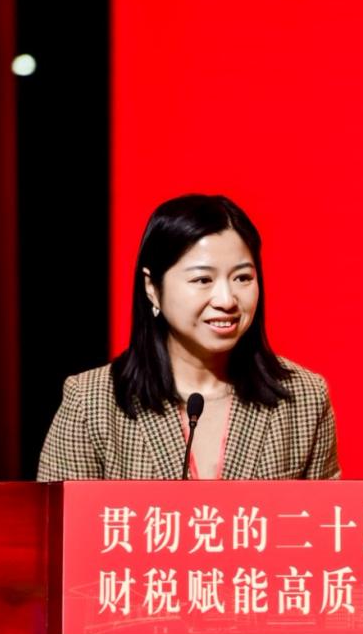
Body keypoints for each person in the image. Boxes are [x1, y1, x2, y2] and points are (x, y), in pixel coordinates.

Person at [36, 194, 340, 480]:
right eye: (203, 279)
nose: (226, 299)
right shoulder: (92, 403)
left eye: (242, 278)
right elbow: (62, 519)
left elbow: (326, 517)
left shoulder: (305, 399)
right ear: (152, 287)